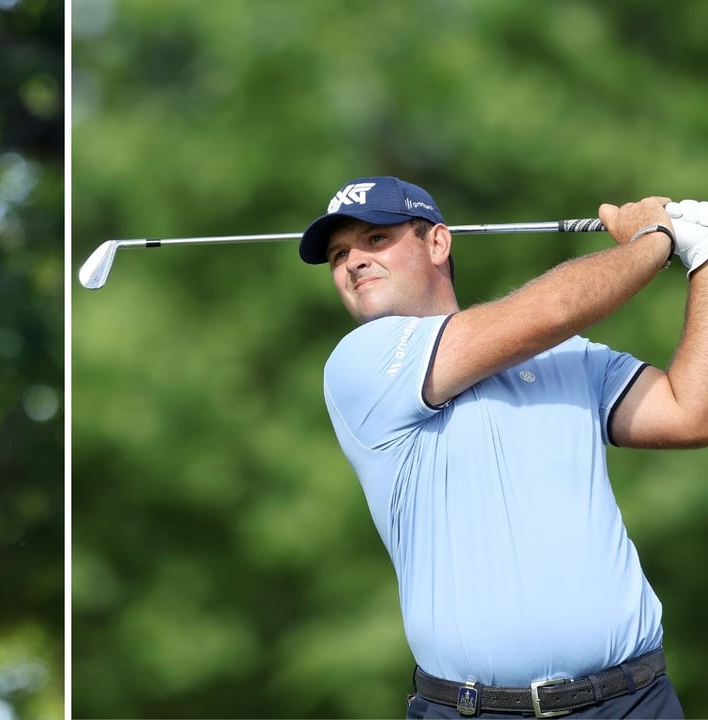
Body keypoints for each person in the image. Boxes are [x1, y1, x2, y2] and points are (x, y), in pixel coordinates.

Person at [298, 175, 708, 718]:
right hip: (475, 710)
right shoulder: (360, 365)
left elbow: (690, 412)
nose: (352, 262)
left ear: (438, 242)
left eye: (375, 240)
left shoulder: (569, 358)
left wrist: (702, 260)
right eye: (337, 255)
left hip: (634, 700)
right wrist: (656, 238)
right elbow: (549, 313)